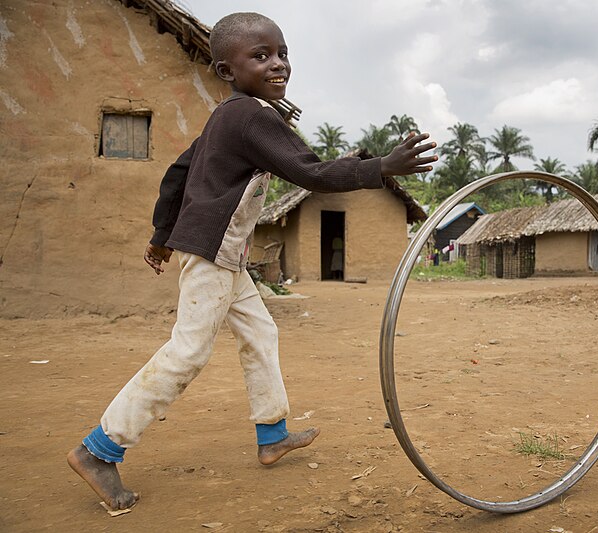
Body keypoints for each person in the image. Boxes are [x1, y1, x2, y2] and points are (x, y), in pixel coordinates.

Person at [67, 12, 438, 512]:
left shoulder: (226, 118)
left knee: (261, 333)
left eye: (282, 54)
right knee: (188, 352)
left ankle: (272, 435)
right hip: (213, 255)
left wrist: (160, 236)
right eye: (260, 56)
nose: (278, 65)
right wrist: (380, 167)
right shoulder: (251, 117)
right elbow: (311, 172)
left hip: (225, 257)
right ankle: (99, 449)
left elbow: (177, 175)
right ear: (226, 70)